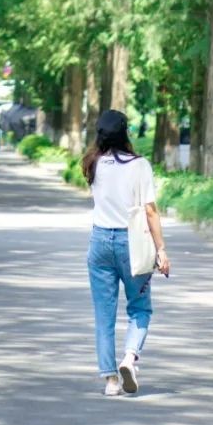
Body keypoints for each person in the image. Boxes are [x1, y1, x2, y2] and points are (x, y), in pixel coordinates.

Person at [83, 108, 171, 398]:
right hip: (131, 243)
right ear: (126, 134)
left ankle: (110, 381)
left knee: (104, 314)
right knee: (140, 307)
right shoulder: (139, 165)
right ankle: (129, 359)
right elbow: (149, 211)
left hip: (99, 243)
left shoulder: (93, 162)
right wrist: (161, 249)